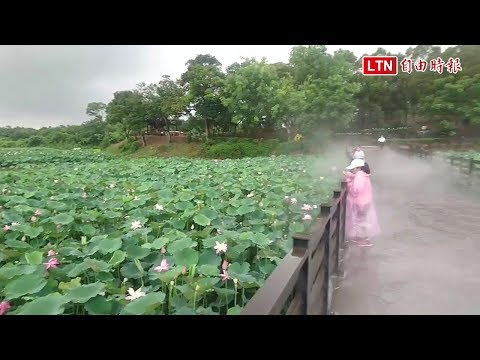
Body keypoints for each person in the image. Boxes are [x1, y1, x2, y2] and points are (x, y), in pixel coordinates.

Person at [343, 158, 380, 247]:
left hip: (360, 203)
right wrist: (351, 176)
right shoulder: (363, 175)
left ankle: (363, 240)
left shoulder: (359, 177)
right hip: (365, 202)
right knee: (363, 220)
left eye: (353, 169)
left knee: (360, 221)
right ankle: (363, 238)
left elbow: (355, 190)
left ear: (359, 168)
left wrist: (348, 182)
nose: (352, 170)